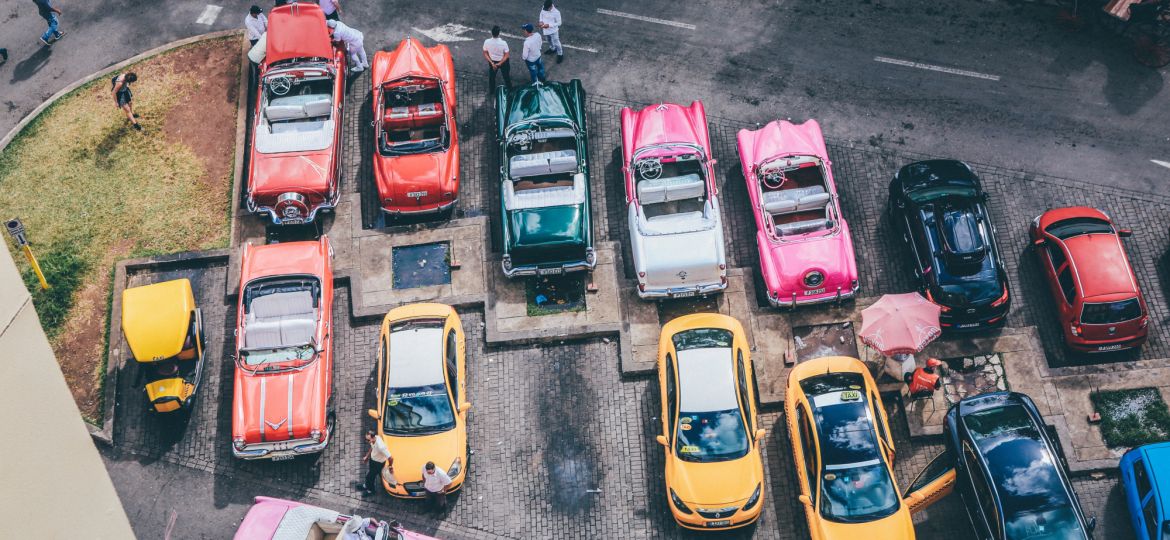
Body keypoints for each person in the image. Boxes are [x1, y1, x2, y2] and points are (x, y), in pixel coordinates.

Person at [356, 430, 392, 495]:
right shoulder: (374, 439)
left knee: (369, 477)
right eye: (366, 439)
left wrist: (390, 466)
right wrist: (367, 456)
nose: (366, 441)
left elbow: (390, 458)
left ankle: (371, 491)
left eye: (368, 440)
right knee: (373, 475)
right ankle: (367, 486)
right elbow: (372, 447)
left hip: (378, 464)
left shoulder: (381, 447)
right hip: (373, 460)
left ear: (372, 437)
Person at [483, 25, 512, 91]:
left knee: (492, 77)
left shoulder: (487, 42)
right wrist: (500, 63)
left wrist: (492, 63)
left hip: (492, 61)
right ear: (499, 33)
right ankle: (510, 89)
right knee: (506, 76)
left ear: (491, 33)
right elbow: (506, 55)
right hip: (503, 62)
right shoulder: (503, 43)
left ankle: (492, 91)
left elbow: (485, 53)